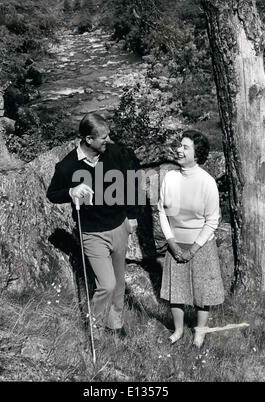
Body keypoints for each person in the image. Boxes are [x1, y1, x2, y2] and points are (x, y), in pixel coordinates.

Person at [46, 112, 138, 338]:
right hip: (92, 233)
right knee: (106, 284)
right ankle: (94, 328)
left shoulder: (113, 153)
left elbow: (130, 182)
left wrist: (132, 216)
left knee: (118, 284)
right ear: (88, 140)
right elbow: (52, 194)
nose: (108, 140)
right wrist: (71, 191)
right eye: (103, 137)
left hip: (119, 226)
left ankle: (115, 324)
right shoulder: (67, 165)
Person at [158, 130, 224, 348]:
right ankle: (177, 331)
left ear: (197, 154)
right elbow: (161, 211)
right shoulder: (170, 177)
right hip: (175, 244)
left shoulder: (207, 182)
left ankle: (199, 333)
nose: (179, 149)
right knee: (176, 291)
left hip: (201, 245)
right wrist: (172, 243)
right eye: (180, 145)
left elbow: (212, 220)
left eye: (185, 147)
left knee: (201, 293)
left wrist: (194, 249)